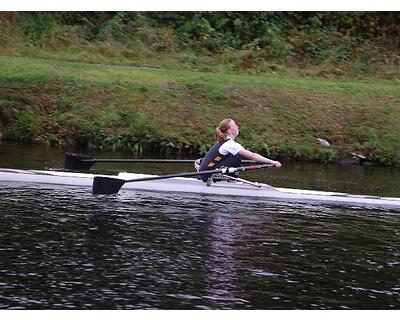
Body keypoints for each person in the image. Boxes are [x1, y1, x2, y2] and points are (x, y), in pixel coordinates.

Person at [198, 118, 282, 182]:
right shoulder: (229, 144)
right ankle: (231, 182)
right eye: (234, 126)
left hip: (205, 173)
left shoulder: (222, 142)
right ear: (229, 131)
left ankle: (230, 180)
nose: (237, 127)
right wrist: (271, 162)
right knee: (236, 159)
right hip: (208, 175)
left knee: (233, 157)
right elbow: (252, 156)